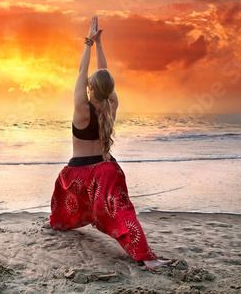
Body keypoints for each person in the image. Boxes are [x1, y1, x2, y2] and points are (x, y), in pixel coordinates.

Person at [48, 16, 173, 269]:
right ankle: (146, 257)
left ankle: (62, 223)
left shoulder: (82, 109)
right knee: (123, 213)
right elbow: (103, 76)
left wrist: (88, 43)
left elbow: (82, 73)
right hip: (107, 170)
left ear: (89, 88)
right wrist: (100, 42)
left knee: (64, 186)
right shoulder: (111, 106)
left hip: (78, 175)